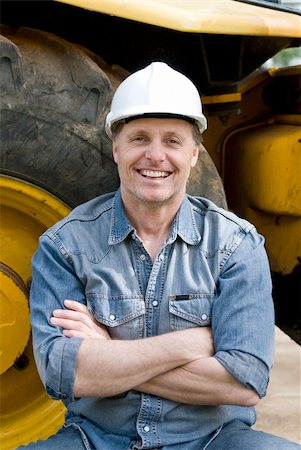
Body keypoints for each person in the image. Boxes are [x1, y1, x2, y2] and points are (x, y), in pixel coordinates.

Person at [23, 62, 299, 450]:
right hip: (96, 440)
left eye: (172, 140)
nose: (155, 155)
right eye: (139, 138)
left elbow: (245, 382)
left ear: (193, 154)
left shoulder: (236, 245)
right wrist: (190, 344)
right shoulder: (66, 246)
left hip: (215, 440)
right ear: (116, 148)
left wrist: (106, 354)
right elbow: (63, 374)